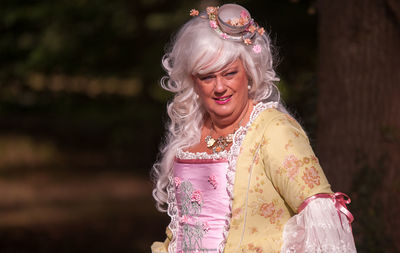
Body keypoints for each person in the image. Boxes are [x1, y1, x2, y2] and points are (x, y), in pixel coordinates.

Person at [151, 4, 357, 253]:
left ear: (248, 72)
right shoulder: (189, 135)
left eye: (229, 73)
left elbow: (321, 222)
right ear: (193, 82)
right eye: (207, 77)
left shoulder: (274, 131)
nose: (219, 87)